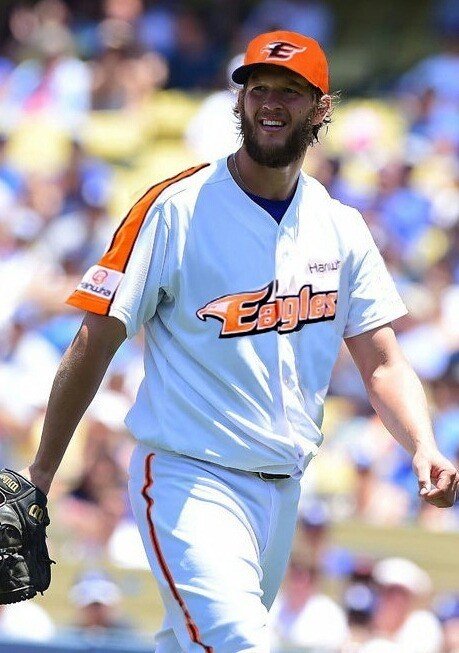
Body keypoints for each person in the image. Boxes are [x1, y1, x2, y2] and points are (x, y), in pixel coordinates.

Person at [22, 30, 458, 653]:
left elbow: (383, 362)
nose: (270, 103)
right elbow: (94, 341)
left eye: (289, 91)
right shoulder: (175, 208)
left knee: (191, 644)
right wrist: (41, 473)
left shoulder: (340, 226)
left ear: (321, 108)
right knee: (243, 646)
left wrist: (422, 445)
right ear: (240, 101)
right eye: (258, 88)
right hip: (188, 477)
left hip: (283, 490)